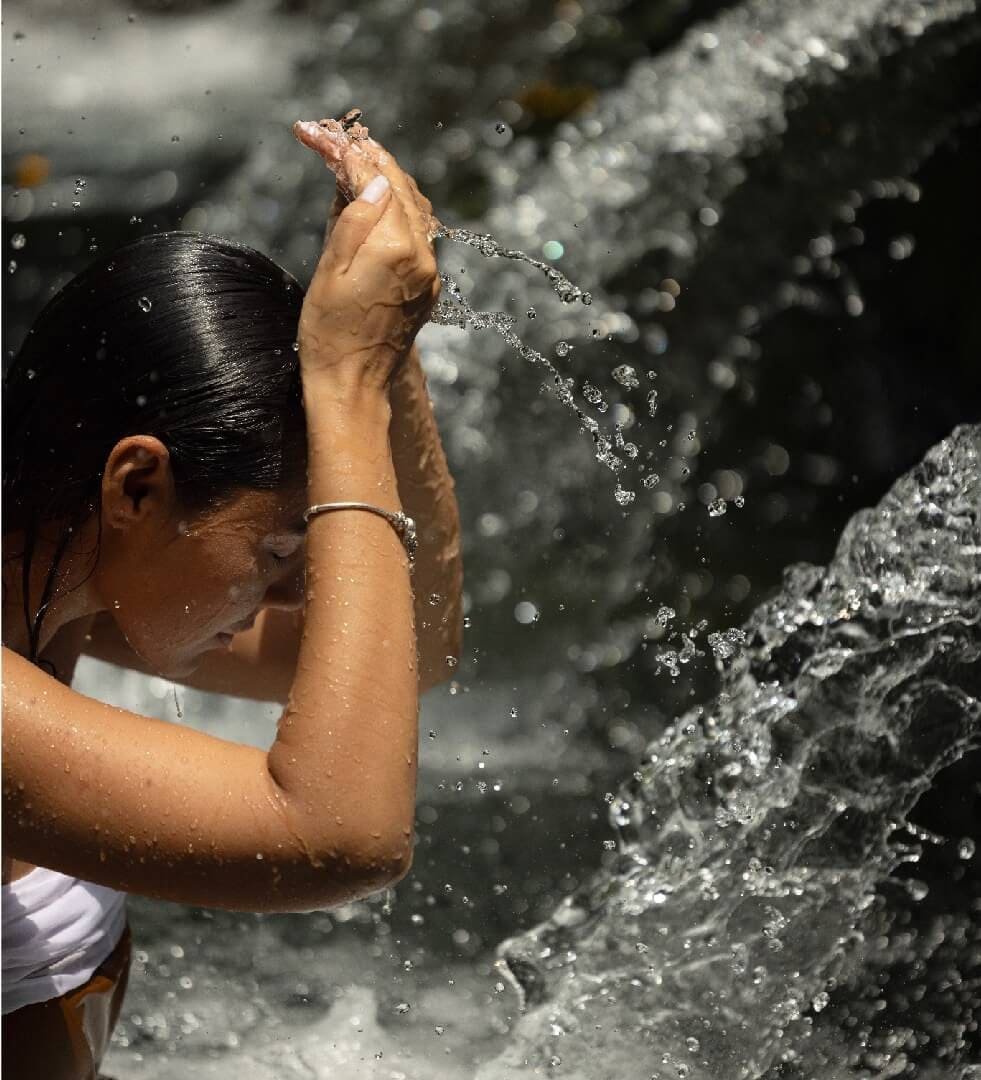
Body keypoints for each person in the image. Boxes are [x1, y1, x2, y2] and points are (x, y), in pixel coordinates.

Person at [1, 115, 463, 1079]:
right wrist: (341, 384)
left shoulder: (63, 597)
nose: (306, 586)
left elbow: (413, 645)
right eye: (283, 544)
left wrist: (383, 355)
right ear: (136, 488)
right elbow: (340, 838)